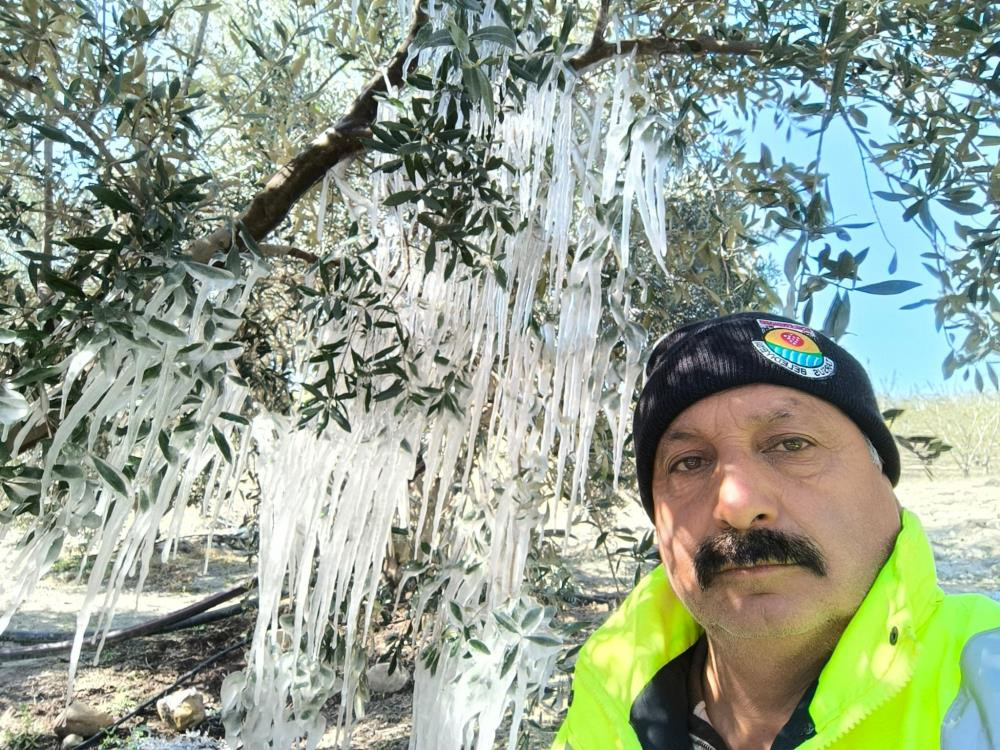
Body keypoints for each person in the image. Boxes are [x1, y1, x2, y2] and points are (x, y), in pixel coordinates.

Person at [552, 312, 1000, 750]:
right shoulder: (608, 688)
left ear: (884, 482)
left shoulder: (984, 671)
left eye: (792, 444)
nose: (738, 504)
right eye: (689, 462)